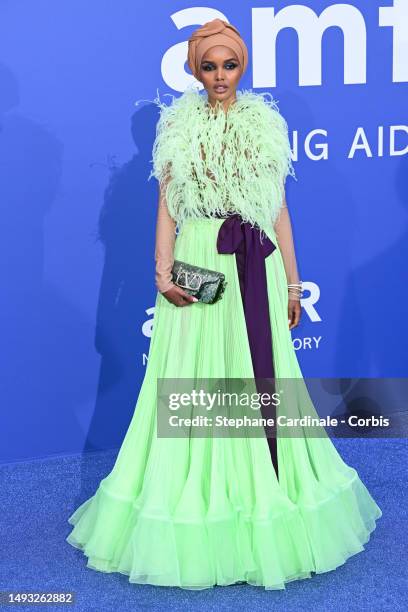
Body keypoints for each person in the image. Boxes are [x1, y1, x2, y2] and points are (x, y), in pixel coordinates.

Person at [66, 18, 382, 590]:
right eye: (208, 66)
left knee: (257, 375)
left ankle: (264, 496)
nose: (219, 76)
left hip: (253, 264)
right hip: (198, 257)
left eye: (229, 65)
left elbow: (278, 210)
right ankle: (196, 501)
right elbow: (166, 206)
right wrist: (161, 273)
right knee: (192, 373)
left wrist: (292, 281)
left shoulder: (263, 126)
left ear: (243, 67)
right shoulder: (176, 127)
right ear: (194, 69)